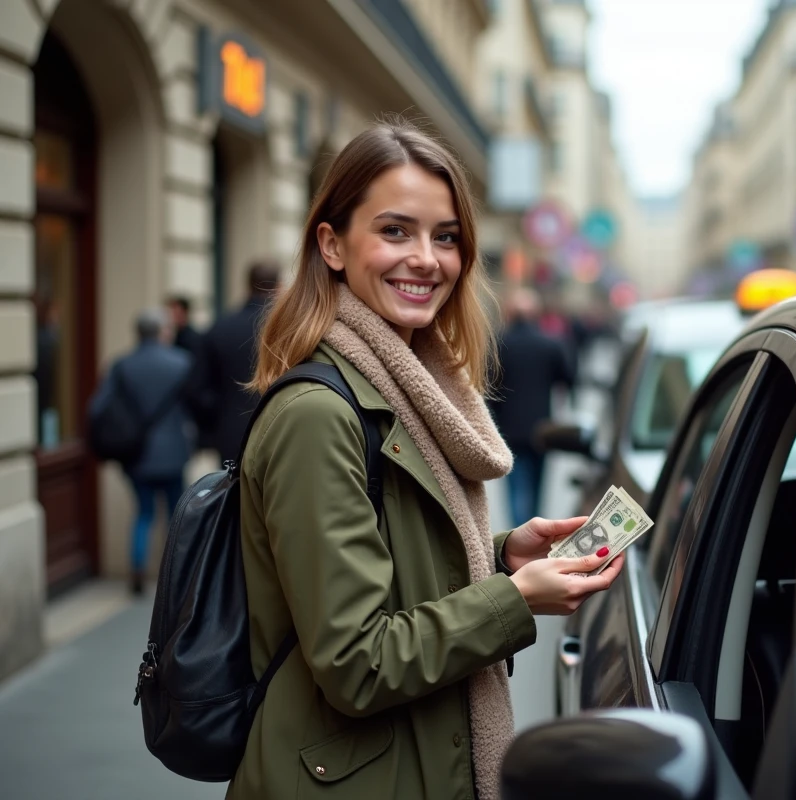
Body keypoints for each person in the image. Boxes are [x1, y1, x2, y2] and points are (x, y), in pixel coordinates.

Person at [228, 119, 624, 800]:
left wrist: (500, 556)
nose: (427, 258)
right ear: (331, 243)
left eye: (445, 237)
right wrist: (513, 601)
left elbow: (386, 563)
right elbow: (356, 662)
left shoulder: (402, 385)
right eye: (394, 231)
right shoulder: (320, 416)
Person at [88, 309, 192, 594]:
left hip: (136, 454)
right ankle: (177, 578)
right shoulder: (181, 362)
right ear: (162, 332)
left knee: (144, 514)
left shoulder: (121, 365)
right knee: (176, 517)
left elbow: (97, 408)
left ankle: (137, 570)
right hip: (173, 451)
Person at [490, 287, 575, 525]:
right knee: (537, 487)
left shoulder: (498, 345)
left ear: (509, 313)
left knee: (515, 488)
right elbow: (567, 378)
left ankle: (518, 533)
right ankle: (534, 529)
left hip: (508, 429)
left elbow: (488, 388)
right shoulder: (550, 344)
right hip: (542, 428)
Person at [187, 261, 279, 463]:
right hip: (281, 430)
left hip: (230, 433)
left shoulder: (220, 328)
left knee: (235, 493)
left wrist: (216, 418)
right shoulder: (290, 328)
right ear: (278, 285)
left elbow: (196, 389)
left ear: (247, 285)